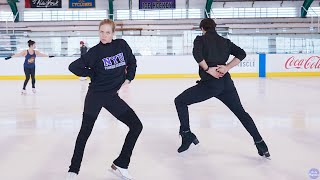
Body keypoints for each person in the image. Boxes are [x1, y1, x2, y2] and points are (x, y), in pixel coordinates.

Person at [174, 18, 270, 159]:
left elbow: (197, 55)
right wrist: (227, 67)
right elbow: (241, 53)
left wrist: (208, 69)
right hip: (226, 83)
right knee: (241, 113)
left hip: (210, 84)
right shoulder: (225, 42)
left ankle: (187, 135)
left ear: (202, 28)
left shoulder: (200, 40)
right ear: (215, 27)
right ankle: (261, 143)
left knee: (180, 101)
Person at [66, 19, 143, 180]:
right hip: (96, 96)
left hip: (112, 97)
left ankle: (121, 164)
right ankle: (73, 170)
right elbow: (73, 67)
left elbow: (132, 62)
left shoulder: (121, 45)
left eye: (107, 32)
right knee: (84, 133)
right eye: (101, 32)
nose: (104, 35)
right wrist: (91, 74)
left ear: (113, 34)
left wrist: (129, 78)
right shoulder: (95, 52)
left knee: (136, 126)